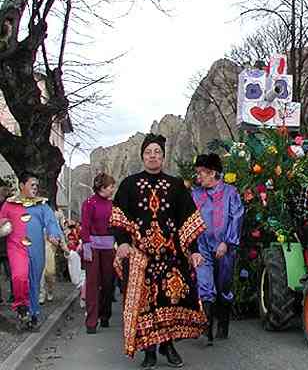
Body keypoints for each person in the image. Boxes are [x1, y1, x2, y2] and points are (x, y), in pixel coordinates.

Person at [110, 133, 207, 368]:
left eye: (157, 152)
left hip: (171, 257)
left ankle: (169, 346)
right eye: (148, 152)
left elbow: (188, 220)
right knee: (145, 305)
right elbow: (119, 217)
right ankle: (149, 352)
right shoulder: (129, 185)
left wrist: (193, 250)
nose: (153, 156)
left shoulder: (176, 186)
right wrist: (122, 242)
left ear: (163, 157)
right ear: (142, 156)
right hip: (141, 257)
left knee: (170, 302)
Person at [191, 153, 244, 345]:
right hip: (202, 246)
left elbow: (236, 217)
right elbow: (191, 221)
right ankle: (207, 330)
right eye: (197, 173)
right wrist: (193, 247)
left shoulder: (231, 193)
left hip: (225, 246)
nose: (198, 177)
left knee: (223, 287)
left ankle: (223, 324)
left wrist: (227, 242)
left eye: (202, 173)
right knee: (204, 284)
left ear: (213, 173)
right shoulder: (195, 194)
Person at [0, 172, 63, 330]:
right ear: (22, 186)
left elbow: (51, 223)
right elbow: (1, 221)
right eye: (31, 185)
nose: (35, 188)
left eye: (36, 185)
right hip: (16, 247)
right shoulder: (9, 205)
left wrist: (54, 235)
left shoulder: (42, 205)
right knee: (19, 275)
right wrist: (3, 225)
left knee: (34, 281)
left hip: (36, 248)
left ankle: (33, 313)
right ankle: (21, 306)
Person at [80, 173, 117, 334]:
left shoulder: (113, 205)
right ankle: (91, 321)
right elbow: (85, 226)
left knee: (108, 283)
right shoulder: (89, 203)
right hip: (93, 247)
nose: (112, 189)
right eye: (110, 187)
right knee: (93, 284)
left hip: (109, 247)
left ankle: (105, 314)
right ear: (102, 188)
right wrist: (86, 245)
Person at [0, 184, 14, 304]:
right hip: (8, 246)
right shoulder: (10, 208)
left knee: (11, 273)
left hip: (5, 245)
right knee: (11, 273)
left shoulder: (7, 208)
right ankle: (14, 295)